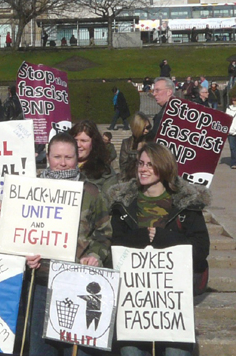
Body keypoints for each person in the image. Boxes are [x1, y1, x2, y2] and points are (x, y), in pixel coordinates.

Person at [107, 142, 210, 356]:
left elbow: (201, 249)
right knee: (130, 352)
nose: (143, 169)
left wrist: (168, 239)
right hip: (134, 305)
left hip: (172, 304)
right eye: (140, 163)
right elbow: (113, 248)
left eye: (150, 165)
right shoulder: (123, 204)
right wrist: (136, 238)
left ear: (163, 168)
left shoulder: (186, 205)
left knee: (176, 353)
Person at [26, 133, 112, 356]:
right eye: (57, 157)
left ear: (78, 158)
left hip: (78, 283)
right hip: (41, 283)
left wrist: (95, 255)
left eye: (68, 157)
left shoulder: (92, 192)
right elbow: (18, 233)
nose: (62, 163)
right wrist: (23, 254)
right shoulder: (29, 189)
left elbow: (104, 235)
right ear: (47, 156)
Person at [70, 120, 118, 195]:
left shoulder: (105, 172)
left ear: (93, 143)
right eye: (75, 140)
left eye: (83, 141)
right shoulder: (60, 166)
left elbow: (109, 202)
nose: (78, 145)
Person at [119, 113, 155, 181]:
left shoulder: (152, 141)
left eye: (148, 127)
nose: (147, 130)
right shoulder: (127, 143)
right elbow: (123, 167)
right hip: (131, 180)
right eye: (144, 128)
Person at [227, 97, 236, 169]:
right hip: (230, 132)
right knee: (232, 148)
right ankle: (233, 163)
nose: (234, 102)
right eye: (233, 101)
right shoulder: (228, 109)